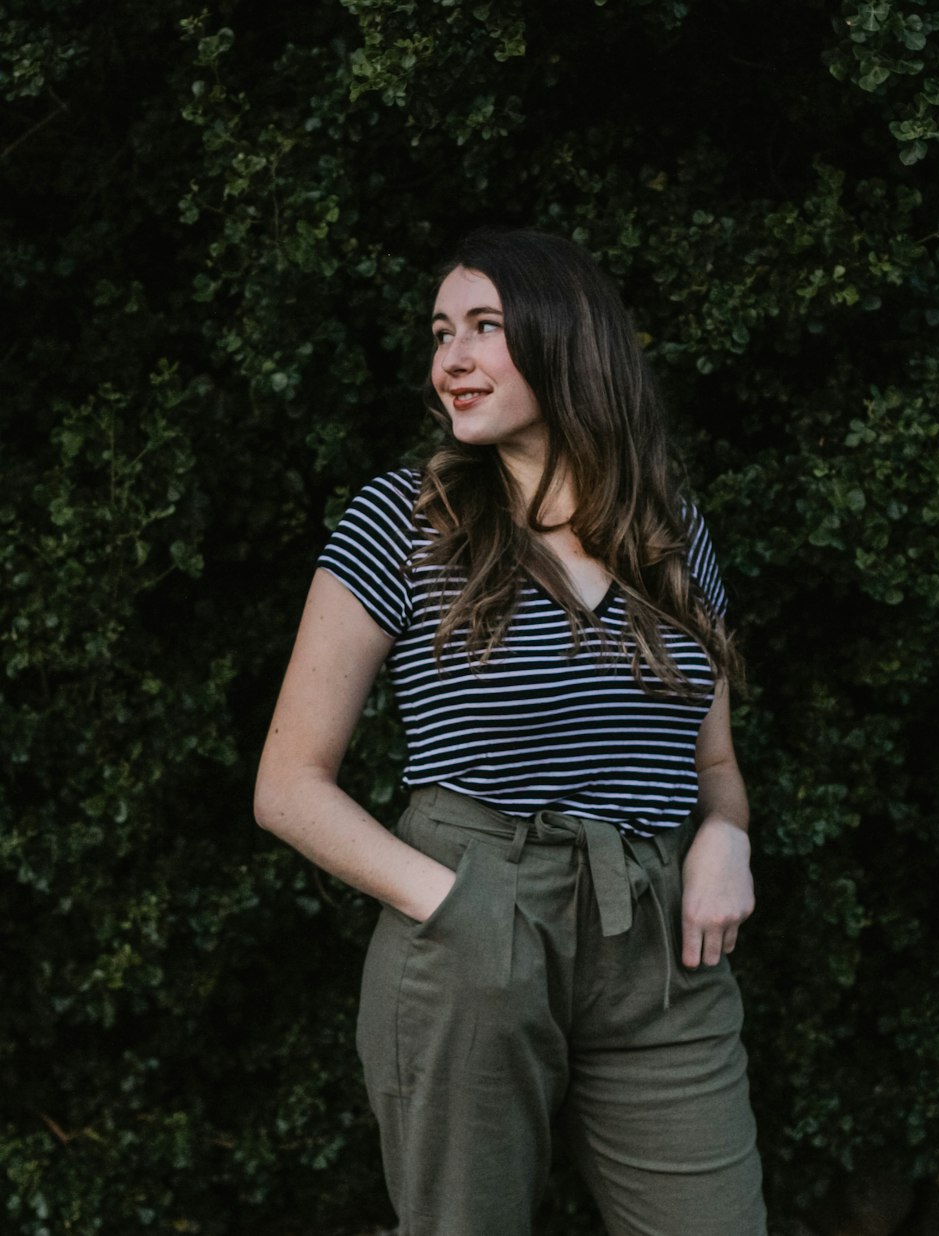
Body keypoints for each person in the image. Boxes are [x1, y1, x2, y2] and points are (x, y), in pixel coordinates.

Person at [254, 227, 767, 1236]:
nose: (451, 358)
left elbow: (712, 760)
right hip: (470, 920)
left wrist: (728, 834)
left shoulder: (668, 529)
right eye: (442, 332)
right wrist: (453, 904)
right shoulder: (400, 520)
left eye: (484, 327)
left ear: (566, 340)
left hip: (662, 947)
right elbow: (287, 783)